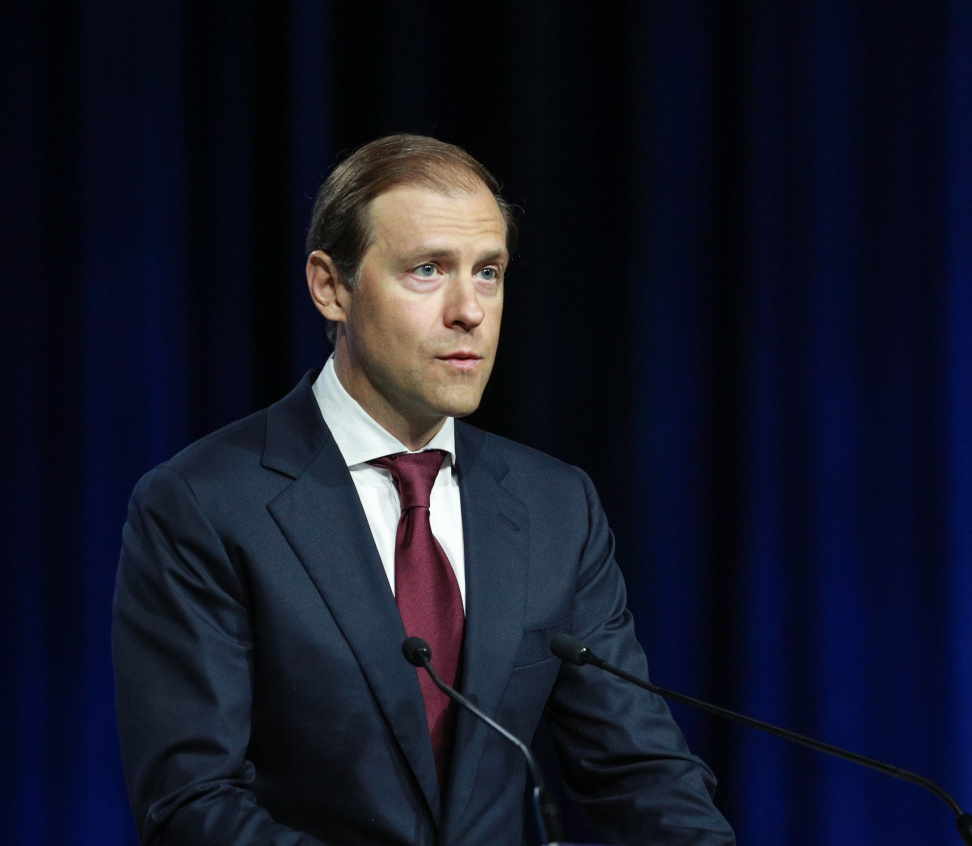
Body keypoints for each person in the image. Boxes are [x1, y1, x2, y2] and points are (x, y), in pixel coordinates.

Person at [112, 134, 736, 846]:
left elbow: (640, 774)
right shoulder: (203, 505)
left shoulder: (556, 506)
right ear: (331, 287)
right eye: (428, 269)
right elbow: (191, 805)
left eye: (489, 272)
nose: (470, 310)